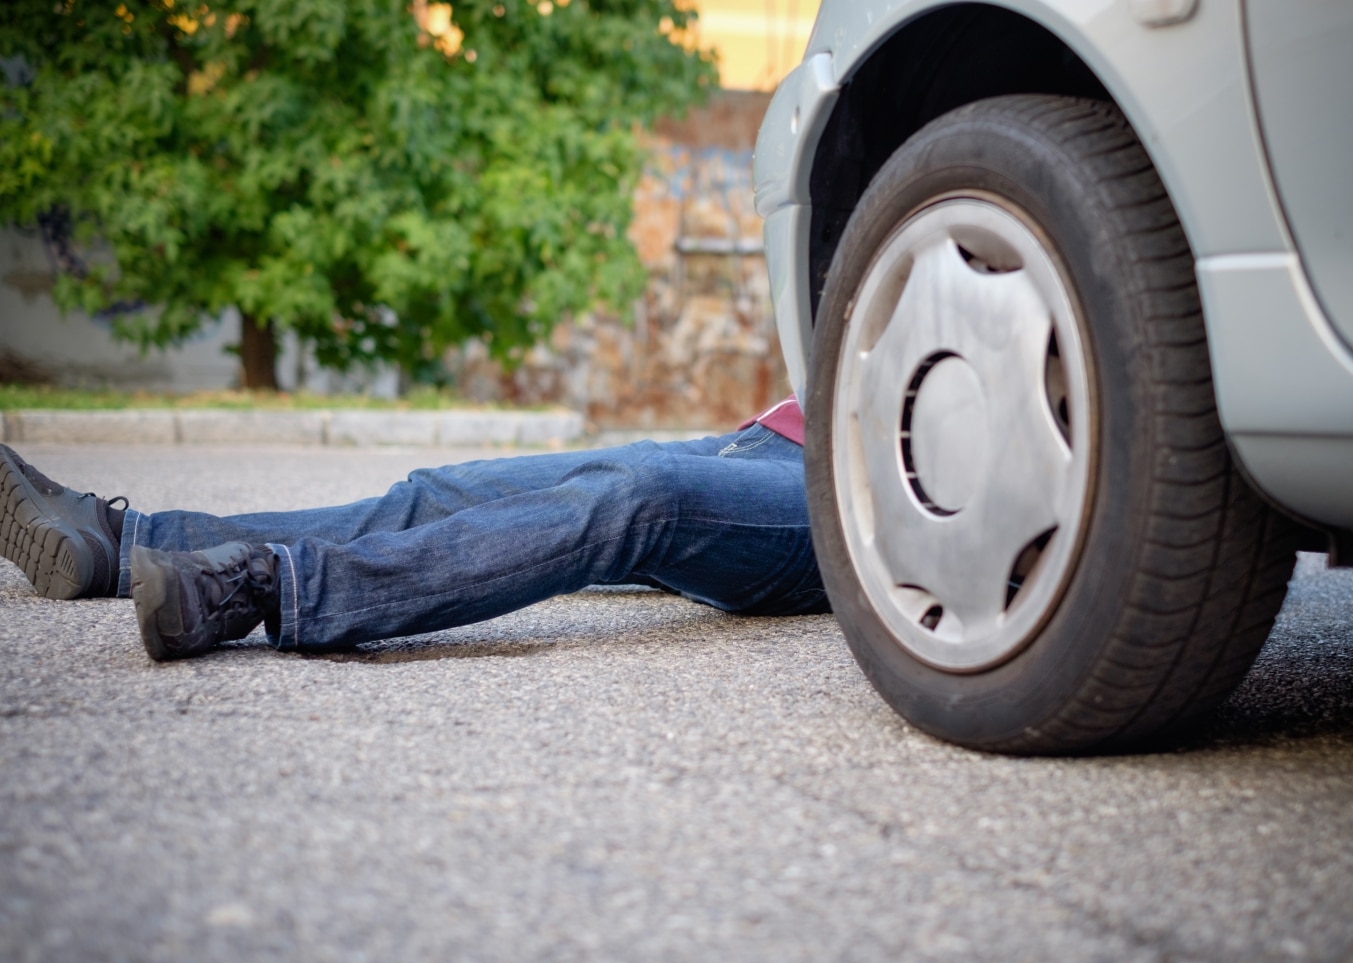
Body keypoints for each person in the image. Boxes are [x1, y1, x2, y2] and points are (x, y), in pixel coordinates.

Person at [0, 397, 826, 661]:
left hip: (854, 503)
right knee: (443, 489)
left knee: (645, 496)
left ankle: (264, 586)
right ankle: (124, 542)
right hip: (765, 438)